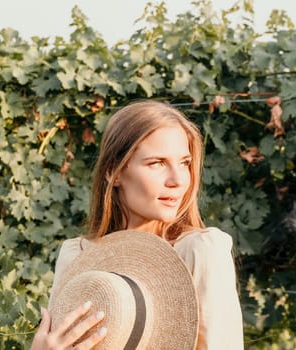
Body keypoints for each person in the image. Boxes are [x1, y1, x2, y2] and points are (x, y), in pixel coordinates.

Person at [31, 100, 244, 349]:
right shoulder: (76, 255)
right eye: (157, 163)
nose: (178, 180)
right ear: (114, 172)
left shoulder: (200, 252)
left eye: (184, 163)